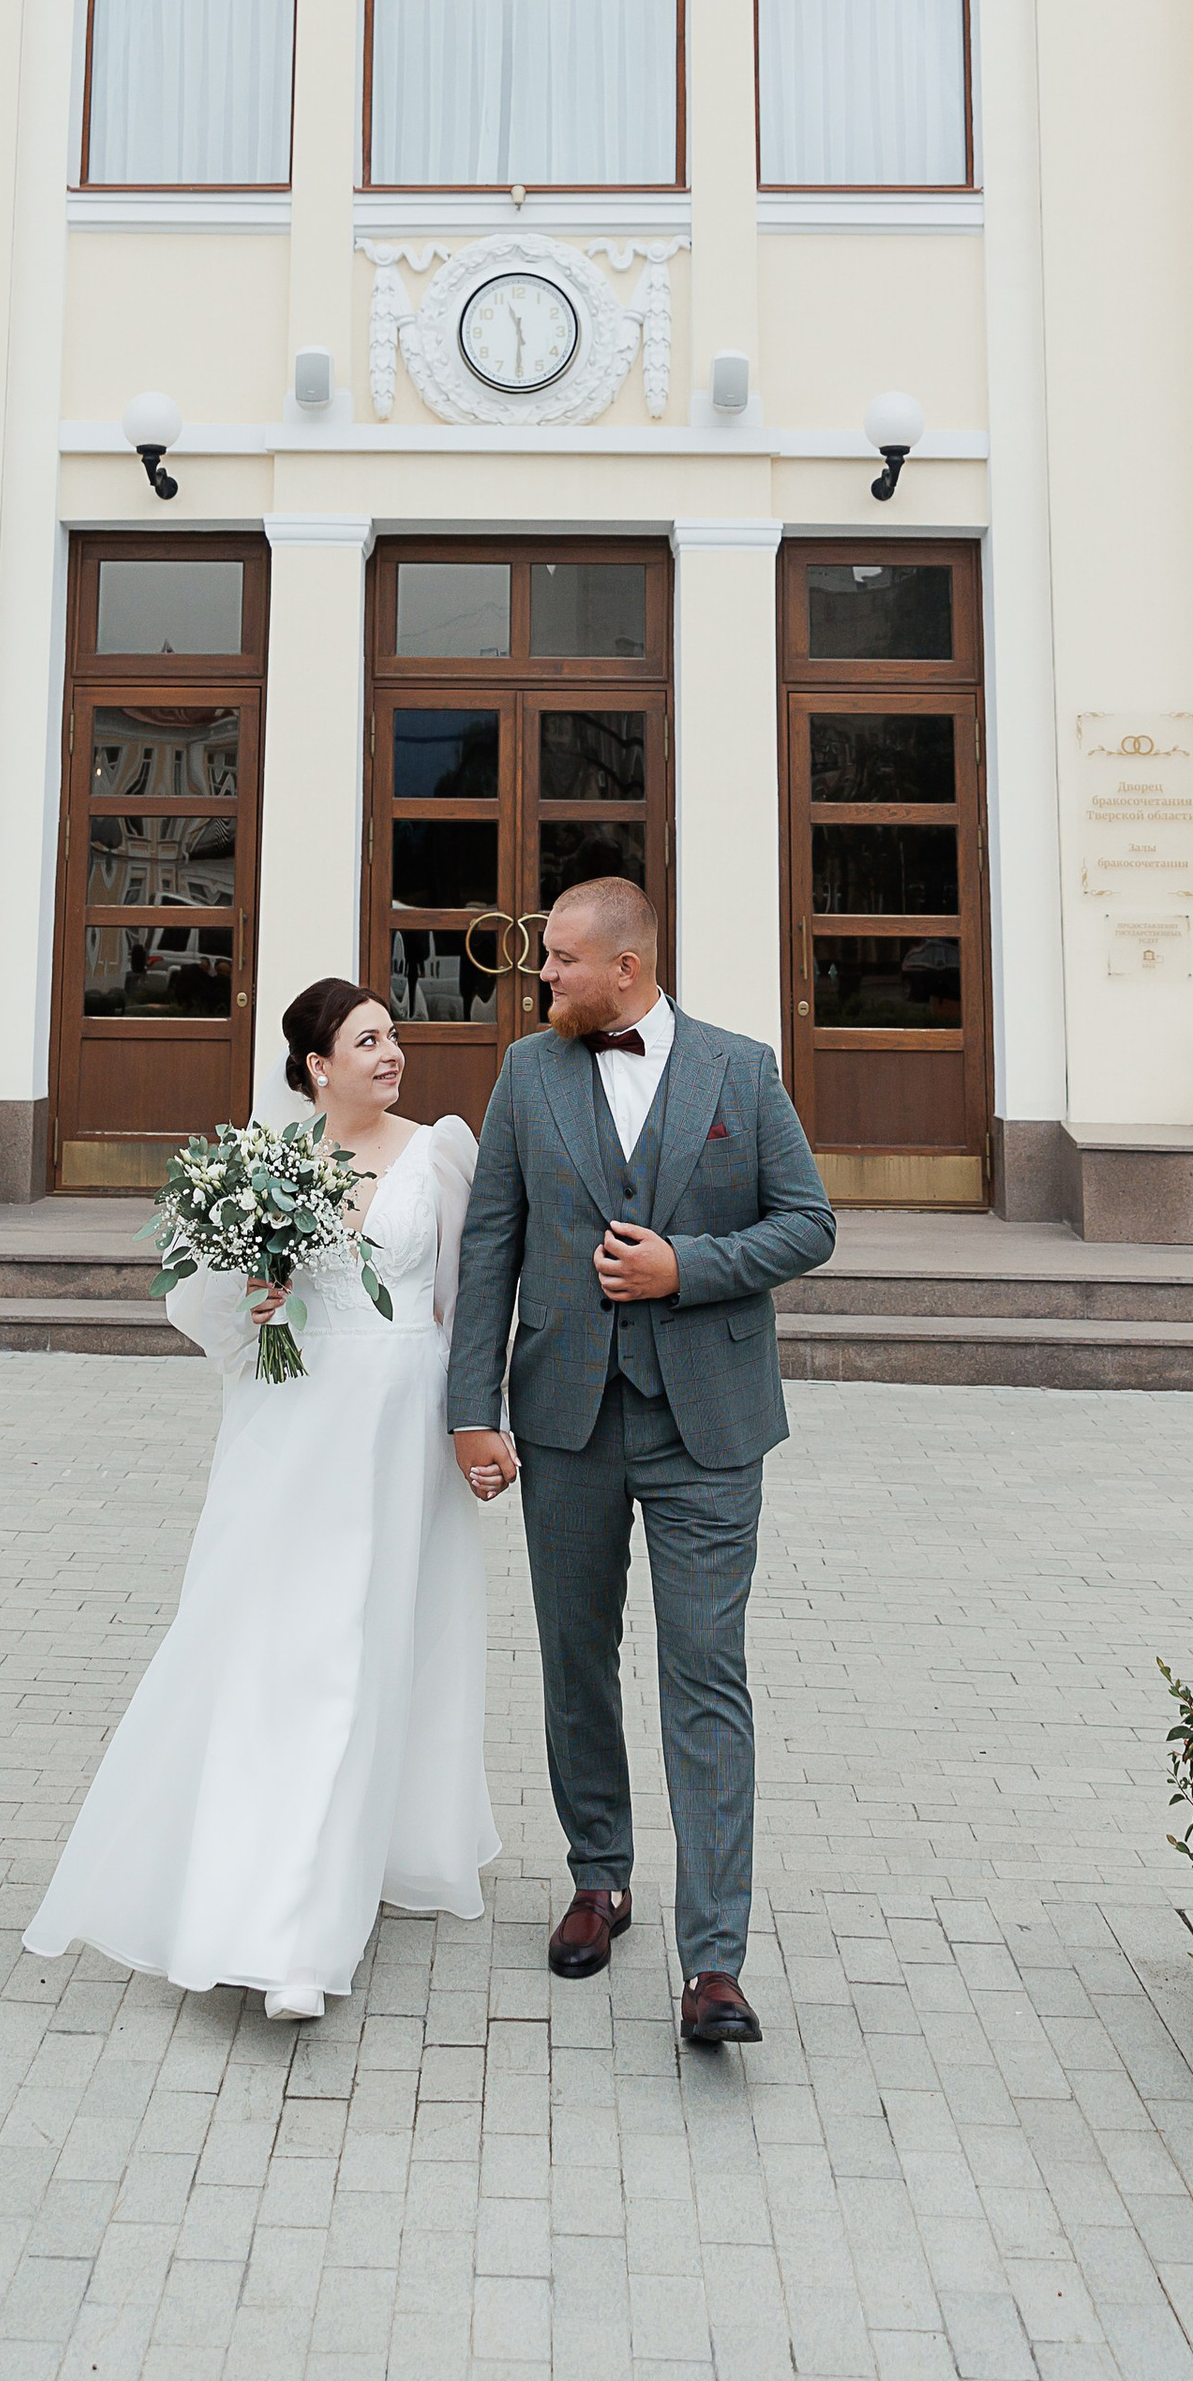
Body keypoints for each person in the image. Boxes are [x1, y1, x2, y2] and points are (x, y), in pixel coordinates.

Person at [25, 979, 497, 2021]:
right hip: (294, 1433)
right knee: (288, 1650)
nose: (390, 1055)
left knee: (376, 1649)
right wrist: (258, 1299)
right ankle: (280, 1929)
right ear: (315, 1067)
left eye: (394, 1037)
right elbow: (208, 1307)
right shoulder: (265, 1164)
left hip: (403, 1433)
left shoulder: (441, 1152)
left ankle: (338, 1878)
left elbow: (463, 1302)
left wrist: (480, 1424)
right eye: (366, 1040)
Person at [447, 877, 835, 2048]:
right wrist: (472, 1408)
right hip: (565, 1417)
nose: (542, 976)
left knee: (705, 1675)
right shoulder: (526, 1073)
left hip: (706, 1427)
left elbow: (807, 1221)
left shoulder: (740, 1068)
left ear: (627, 967)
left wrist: (689, 1267)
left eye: (562, 960)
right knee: (575, 1659)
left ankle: (712, 1963)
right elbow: (491, 1245)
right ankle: (598, 1879)